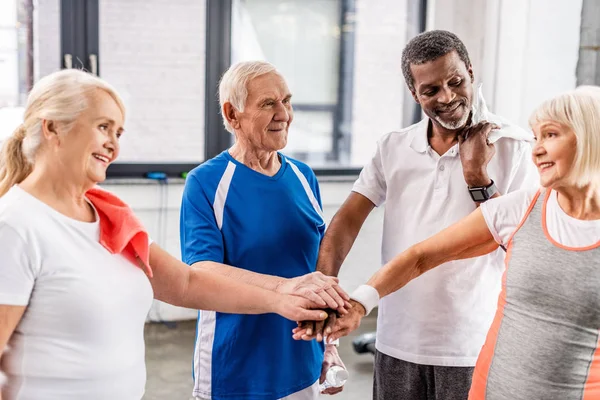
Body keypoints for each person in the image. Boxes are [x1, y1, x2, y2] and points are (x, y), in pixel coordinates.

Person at [0, 68, 346, 400]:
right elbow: (201, 270)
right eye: (103, 127)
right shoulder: (14, 225)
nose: (113, 146)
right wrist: (282, 291)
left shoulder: (109, 215)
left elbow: (185, 284)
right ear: (52, 128)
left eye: (118, 133)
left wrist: (286, 296)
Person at [294, 30, 538, 400]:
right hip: (396, 342)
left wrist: (477, 178)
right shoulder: (393, 146)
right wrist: (324, 295)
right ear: (414, 94)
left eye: (455, 81)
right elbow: (346, 222)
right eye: (431, 90)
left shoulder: (514, 147)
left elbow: (521, 247)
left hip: (473, 343)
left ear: (471, 72)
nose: (447, 97)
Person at [327, 85, 600, 399]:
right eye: (536, 137)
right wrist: (360, 304)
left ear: (590, 136)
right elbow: (420, 257)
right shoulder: (520, 208)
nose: (537, 149)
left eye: (551, 135)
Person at [180, 60, 348, 400]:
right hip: (236, 369)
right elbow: (201, 270)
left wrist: (330, 344)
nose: (283, 113)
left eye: (286, 101)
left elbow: (318, 271)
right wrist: (284, 290)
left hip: (302, 362)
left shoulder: (303, 176)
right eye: (268, 103)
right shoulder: (206, 182)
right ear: (232, 114)